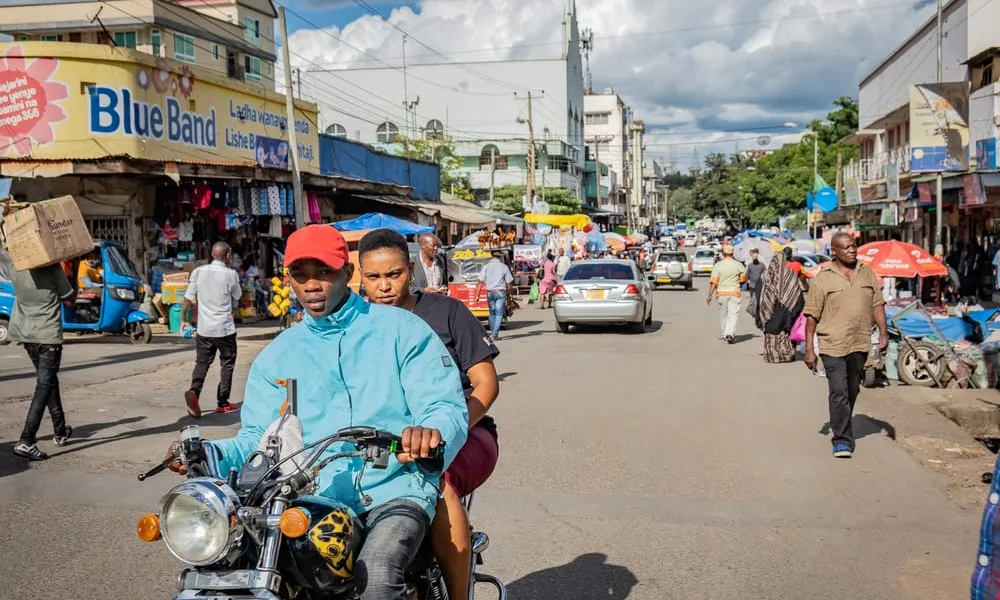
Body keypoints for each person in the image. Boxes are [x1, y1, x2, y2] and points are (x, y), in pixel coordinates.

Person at [174, 224, 468, 600]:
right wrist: (207, 452)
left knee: (376, 574)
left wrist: (430, 431)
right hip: (310, 496)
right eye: (300, 275)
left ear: (347, 274)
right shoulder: (279, 355)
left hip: (395, 489)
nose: (311, 285)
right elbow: (257, 438)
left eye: (324, 273)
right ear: (289, 280)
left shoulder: (403, 330)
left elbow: (444, 405)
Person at [358, 229, 500, 600]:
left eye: (395, 274)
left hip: (467, 434)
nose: (385, 286)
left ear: (411, 271)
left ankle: (459, 596)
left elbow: (486, 385)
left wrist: (448, 429)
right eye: (374, 277)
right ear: (360, 277)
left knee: (437, 483)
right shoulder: (354, 323)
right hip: (385, 441)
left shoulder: (447, 311)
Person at [803, 232, 888, 458]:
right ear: (835, 251)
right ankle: (841, 440)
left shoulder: (866, 273)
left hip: (859, 341)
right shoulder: (823, 278)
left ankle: (842, 420)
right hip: (832, 343)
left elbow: (877, 304)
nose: (852, 250)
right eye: (847, 247)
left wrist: (883, 332)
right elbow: (811, 316)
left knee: (852, 389)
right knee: (838, 391)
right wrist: (810, 349)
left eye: (854, 246)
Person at [9, 261, 76, 460]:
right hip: (47, 335)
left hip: (26, 334)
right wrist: (70, 273)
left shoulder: (16, 267)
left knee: (49, 381)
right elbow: (69, 300)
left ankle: (60, 431)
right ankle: (26, 440)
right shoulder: (53, 269)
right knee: (44, 384)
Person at [181, 242, 242, 417]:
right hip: (224, 329)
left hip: (204, 329)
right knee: (227, 364)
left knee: (202, 363)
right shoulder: (230, 274)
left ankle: (194, 391)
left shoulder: (198, 272)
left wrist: (184, 320)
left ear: (212, 254)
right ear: (228, 256)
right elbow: (237, 295)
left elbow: (187, 299)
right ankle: (222, 402)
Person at [757, 251, 804, 363]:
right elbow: (797, 293)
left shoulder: (766, 274)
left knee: (771, 332)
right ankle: (786, 354)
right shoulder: (790, 274)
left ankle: (772, 355)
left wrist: (762, 308)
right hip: (786, 309)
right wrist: (796, 309)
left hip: (770, 309)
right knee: (784, 331)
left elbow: (759, 292)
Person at [706, 245, 746, 344]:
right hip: (734, 293)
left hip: (721, 293)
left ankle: (725, 334)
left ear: (723, 254)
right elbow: (742, 279)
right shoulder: (739, 265)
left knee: (723, 314)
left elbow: (714, 282)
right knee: (733, 314)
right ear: (733, 254)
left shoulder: (718, 265)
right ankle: (730, 333)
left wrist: (709, 295)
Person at [473, 251, 514, 340]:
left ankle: (493, 333)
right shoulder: (504, 267)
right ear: (500, 257)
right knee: (499, 313)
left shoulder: (486, 267)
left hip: (490, 292)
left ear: (491, 256)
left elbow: (480, 282)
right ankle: (495, 334)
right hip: (500, 292)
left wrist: (477, 295)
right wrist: (511, 294)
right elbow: (509, 283)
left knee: (492, 313)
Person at [745, 248, 767, 319]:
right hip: (758, 284)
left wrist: (746, 284)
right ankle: (757, 311)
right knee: (757, 298)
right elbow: (766, 271)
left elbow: (747, 275)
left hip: (752, 284)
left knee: (753, 298)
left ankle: (755, 311)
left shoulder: (750, 265)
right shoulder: (762, 265)